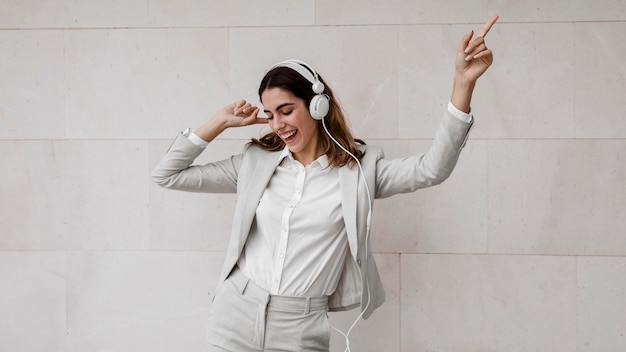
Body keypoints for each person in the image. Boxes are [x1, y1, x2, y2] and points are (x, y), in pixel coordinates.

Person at [152, 15, 499, 352]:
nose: (277, 125)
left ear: (318, 106)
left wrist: (462, 84)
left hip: (300, 326)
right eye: (270, 114)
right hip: (235, 312)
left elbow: (432, 169)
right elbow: (167, 175)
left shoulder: (359, 173)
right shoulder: (254, 163)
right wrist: (218, 122)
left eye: (286, 110)